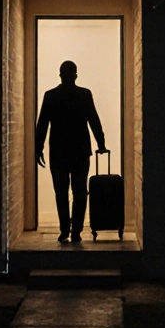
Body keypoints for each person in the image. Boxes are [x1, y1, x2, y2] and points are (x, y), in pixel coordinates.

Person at [35, 60, 108, 243]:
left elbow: (42, 125)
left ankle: (64, 230)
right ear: (76, 75)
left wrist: (38, 149)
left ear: (60, 75)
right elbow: (94, 121)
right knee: (80, 192)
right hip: (80, 151)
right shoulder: (84, 95)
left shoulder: (50, 96)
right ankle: (76, 230)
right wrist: (101, 143)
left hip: (58, 152)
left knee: (61, 192)